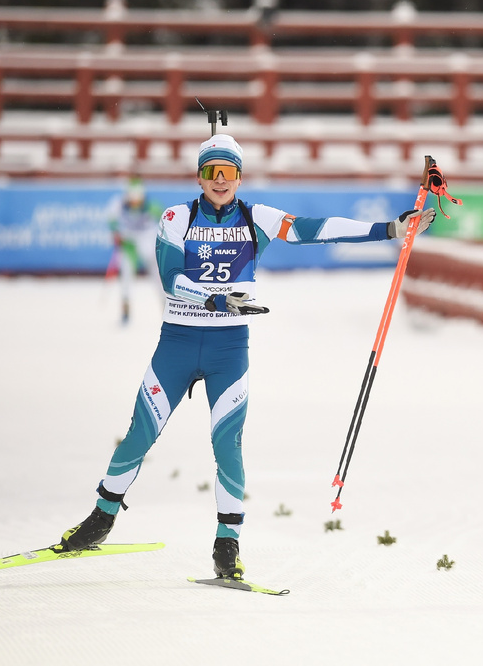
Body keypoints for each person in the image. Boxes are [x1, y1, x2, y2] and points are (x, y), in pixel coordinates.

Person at [56, 133, 437, 579]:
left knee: (227, 444)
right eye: (211, 171)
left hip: (228, 348)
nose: (220, 180)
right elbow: (171, 278)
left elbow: (315, 229)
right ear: (199, 177)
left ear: (240, 177)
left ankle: (227, 544)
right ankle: (101, 518)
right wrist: (214, 299)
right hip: (177, 342)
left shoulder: (258, 217)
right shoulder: (177, 217)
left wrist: (390, 229)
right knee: (140, 433)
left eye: (229, 172)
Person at [106, 177, 163, 324]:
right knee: (126, 275)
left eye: (138, 197)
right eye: (132, 197)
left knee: (157, 276)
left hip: (147, 241)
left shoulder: (151, 205)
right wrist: (116, 234)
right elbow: (111, 220)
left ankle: (166, 307)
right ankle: (125, 310)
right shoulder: (118, 204)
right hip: (129, 243)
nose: (135, 201)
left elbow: (166, 221)